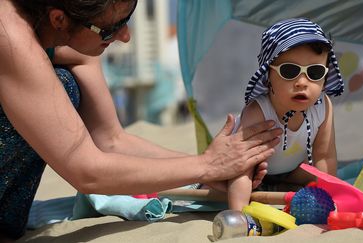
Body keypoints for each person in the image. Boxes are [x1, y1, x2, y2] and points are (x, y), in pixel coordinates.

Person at [0, 0, 282, 240]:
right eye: (111, 27)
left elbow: (111, 141)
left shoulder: (70, 37)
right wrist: (207, 165)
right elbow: (85, 170)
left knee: (64, 84)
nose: (125, 36)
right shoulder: (10, 36)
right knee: (60, 85)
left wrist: (206, 177)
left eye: (128, 18)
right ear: (59, 18)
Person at [227, 18, 345, 210]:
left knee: (315, 171)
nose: (302, 82)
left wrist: (331, 201)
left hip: (289, 170)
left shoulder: (323, 106)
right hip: (250, 170)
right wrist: (238, 214)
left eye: (314, 72)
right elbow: (242, 167)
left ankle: (279, 184)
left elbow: (324, 157)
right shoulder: (258, 112)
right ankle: (265, 187)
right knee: (231, 177)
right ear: (267, 78)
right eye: (289, 71)